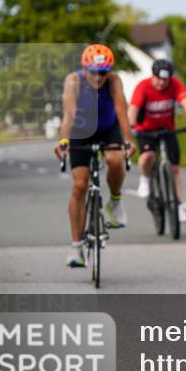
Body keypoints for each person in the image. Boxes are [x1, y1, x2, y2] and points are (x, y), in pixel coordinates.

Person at [54, 44, 133, 268]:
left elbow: (121, 111)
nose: (98, 77)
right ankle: (76, 247)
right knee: (80, 184)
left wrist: (128, 142)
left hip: (108, 128)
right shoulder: (73, 81)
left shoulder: (114, 81)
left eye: (103, 72)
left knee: (115, 159)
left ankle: (115, 202)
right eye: (93, 72)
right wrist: (63, 141)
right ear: (84, 68)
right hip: (81, 130)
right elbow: (68, 114)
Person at [128, 59, 186, 224]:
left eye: (165, 80)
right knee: (148, 156)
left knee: (174, 169)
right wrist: (130, 126)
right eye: (158, 78)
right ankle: (145, 179)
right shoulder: (143, 86)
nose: (161, 83)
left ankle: (178, 205)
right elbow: (133, 108)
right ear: (153, 76)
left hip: (167, 130)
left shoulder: (175, 85)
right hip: (145, 130)